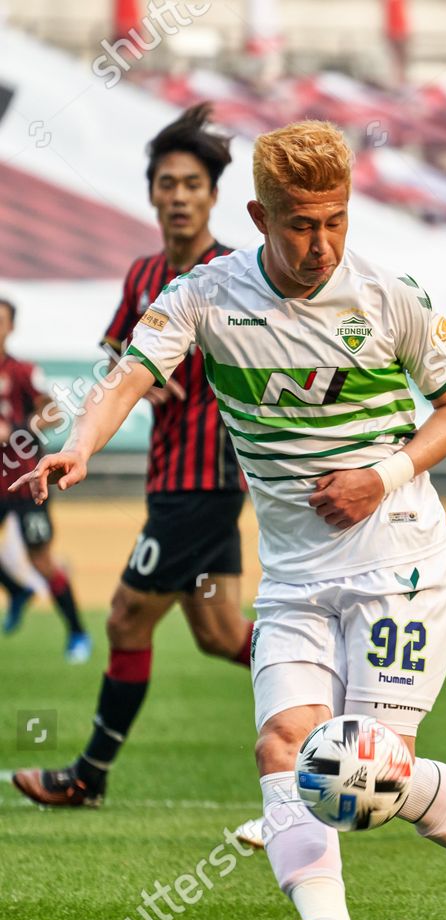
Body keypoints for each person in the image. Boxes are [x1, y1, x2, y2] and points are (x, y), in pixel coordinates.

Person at [12, 121, 446, 920]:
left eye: (336, 220)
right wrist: (82, 443)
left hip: (398, 564)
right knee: (286, 746)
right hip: (294, 575)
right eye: (300, 224)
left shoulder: (388, 295)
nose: (321, 243)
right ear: (259, 215)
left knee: (368, 775)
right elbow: (132, 373)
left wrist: (384, 473)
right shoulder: (206, 295)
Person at [12, 103, 256, 809]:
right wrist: (141, 370)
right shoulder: (144, 273)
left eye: (193, 184)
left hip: (204, 483)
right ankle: (337, 671)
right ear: (151, 192)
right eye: (167, 184)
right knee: (218, 632)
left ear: (213, 195)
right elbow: (116, 343)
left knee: (123, 616)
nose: (179, 196)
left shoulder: (233, 275)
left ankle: (88, 773)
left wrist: (197, 363)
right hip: (167, 478)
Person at [0, 297, 89, 661]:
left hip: (22, 481)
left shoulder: (22, 371)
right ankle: (17, 591)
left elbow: (51, 413)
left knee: (42, 561)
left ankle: (78, 634)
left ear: (11, 327)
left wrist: (15, 429)